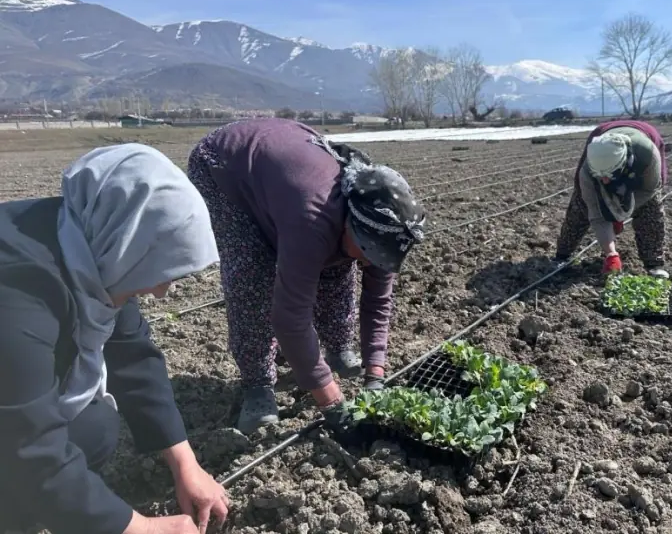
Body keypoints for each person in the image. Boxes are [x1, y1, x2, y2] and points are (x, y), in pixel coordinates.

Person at [0, 143, 230, 534]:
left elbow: (134, 354)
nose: (161, 292)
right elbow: (26, 441)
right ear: (129, 244)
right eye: (158, 270)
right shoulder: (17, 289)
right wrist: (138, 527)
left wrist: (186, 464)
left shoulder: (93, 245)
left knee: (95, 426)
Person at [187, 118, 425, 434]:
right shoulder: (313, 220)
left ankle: (338, 348)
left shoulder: (386, 225)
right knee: (253, 278)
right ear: (349, 224)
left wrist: (375, 376)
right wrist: (330, 400)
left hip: (286, 171)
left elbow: (378, 302)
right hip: (225, 168)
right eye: (368, 252)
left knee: (338, 266)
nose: (371, 263)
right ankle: (257, 383)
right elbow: (290, 318)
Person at [554, 119, 669, 278]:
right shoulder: (587, 171)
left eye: (609, 175)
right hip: (603, 134)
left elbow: (648, 190)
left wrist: (620, 211)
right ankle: (562, 254)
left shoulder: (648, 157)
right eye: (600, 176)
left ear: (623, 164)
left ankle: (654, 264)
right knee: (581, 204)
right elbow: (596, 213)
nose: (605, 181)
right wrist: (611, 254)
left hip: (645, 141)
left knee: (651, 208)